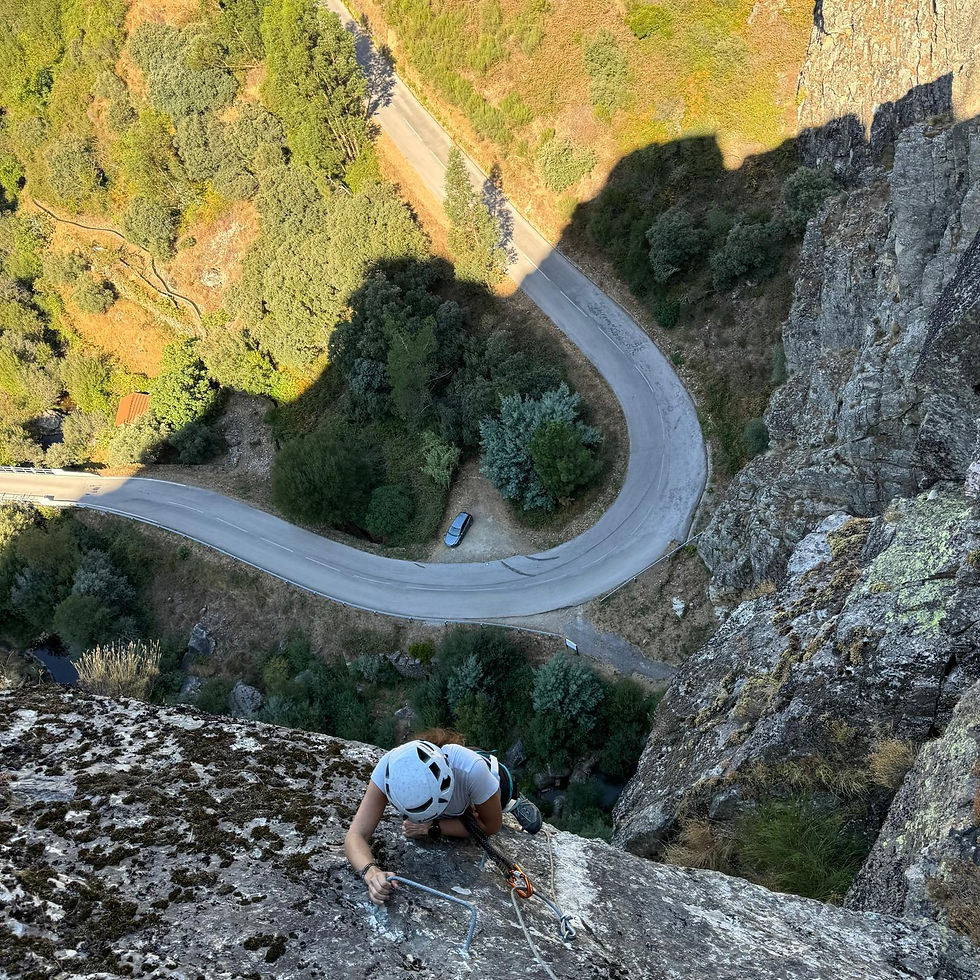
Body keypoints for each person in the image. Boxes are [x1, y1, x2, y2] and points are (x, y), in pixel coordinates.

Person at [345, 730, 542, 905]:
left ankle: (514, 799)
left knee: (504, 790)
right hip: (458, 792)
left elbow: (491, 827)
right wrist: (371, 873)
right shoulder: (390, 768)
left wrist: (431, 828)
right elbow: (356, 834)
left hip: (481, 780)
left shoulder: (471, 770)